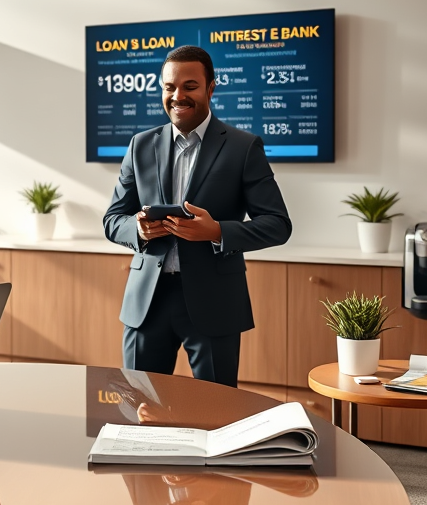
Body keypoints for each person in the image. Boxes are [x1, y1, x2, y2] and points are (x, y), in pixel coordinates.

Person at [103, 46, 291, 387]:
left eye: (190, 86)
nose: (178, 96)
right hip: (147, 303)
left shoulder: (243, 147)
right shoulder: (140, 145)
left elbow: (277, 224)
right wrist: (139, 230)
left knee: (217, 410)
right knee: (140, 406)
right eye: (169, 87)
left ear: (210, 88)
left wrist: (217, 231)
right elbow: (113, 219)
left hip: (214, 303)